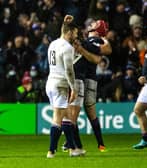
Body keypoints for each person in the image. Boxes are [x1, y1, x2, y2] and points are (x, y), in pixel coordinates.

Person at [64, 19, 112, 152]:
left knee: (85, 112)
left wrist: (81, 46)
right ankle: (95, 144)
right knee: (80, 112)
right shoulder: (89, 40)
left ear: (97, 29)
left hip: (87, 79)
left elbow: (100, 55)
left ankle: (77, 144)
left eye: (94, 23)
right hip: (82, 78)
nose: (91, 24)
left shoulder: (94, 40)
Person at [45, 15, 82, 158]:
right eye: (75, 33)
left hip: (50, 82)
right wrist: (73, 88)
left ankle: (73, 149)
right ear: (70, 32)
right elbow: (68, 70)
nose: (76, 36)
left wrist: (65, 23)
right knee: (58, 118)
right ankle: (51, 151)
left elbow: (64, 30)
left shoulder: (53, 43)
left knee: (67, 116)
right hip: (60, 84)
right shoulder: (67, 47)